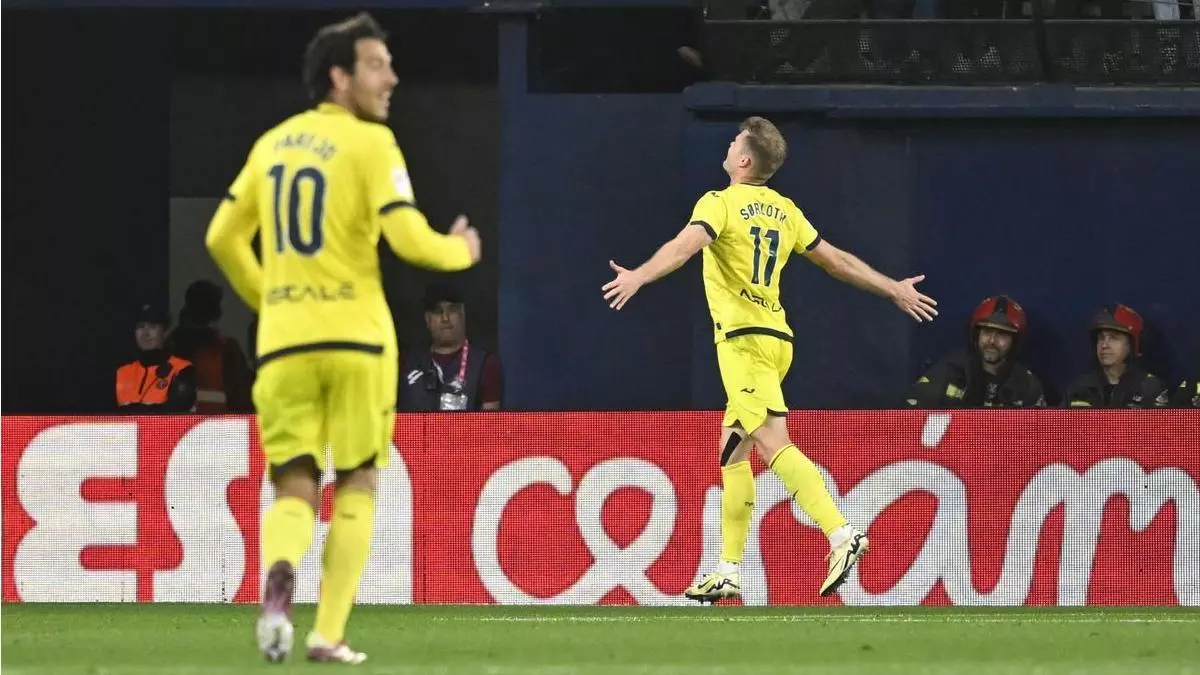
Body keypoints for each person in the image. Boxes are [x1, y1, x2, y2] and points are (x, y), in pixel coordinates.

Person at [204, 12, 481, 664]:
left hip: (285, 344)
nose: (393, 77)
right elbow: (410, 239)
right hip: (357, 341)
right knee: (356, 481)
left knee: (294, 484)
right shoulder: (370, 143)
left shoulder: (272, 145)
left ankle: (279, 582)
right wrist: (461, 251)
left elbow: (221, 237)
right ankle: (327, 633)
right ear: (339, 76)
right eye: (377, 65)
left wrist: (272, 300)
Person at [602, 116, 938, 602]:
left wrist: (639, 275)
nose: (728, 144)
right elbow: (836, 261)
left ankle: (841, 533)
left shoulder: (719, 203)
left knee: (772, 441)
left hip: (744, 343)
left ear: (743, 160)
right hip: (777, 340)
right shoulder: (785, 210)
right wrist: (892, 288)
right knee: (733, 452)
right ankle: (728, 569)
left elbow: (684, 246)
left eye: (734, 141)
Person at [905, 294, 1046, 408]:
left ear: (1015, 341)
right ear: (976, 335)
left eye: (1002, 335)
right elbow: (909, 416)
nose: (992, 341)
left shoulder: (1027, 385)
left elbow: (1040, 432)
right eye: (987, 332)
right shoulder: (949, 372)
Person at [397, 283, 502, 412]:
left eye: (452, 310)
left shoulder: (485, 364)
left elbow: (490, 423)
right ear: (427, 319)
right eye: (437, 311)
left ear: (462, 314)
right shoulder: (406, 362)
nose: (445, 318)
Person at [168, 280, 254, 413]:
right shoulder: (226, 347)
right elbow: (243, 396)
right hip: (217, 422)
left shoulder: (171, 344)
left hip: (184, 423)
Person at [1064, 304, 1169, 408]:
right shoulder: (1079, 388)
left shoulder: (1150, 388)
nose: (1104, 345)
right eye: (1101, 338)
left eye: (1114, 338)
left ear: (1132, 345)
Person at [115, 303, 197, 414]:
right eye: (140, 326)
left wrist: (131, 410)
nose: (145, 333)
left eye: (153, 326)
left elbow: (175, 413)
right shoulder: (122, 372)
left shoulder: (182, 369)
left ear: (165, 332)